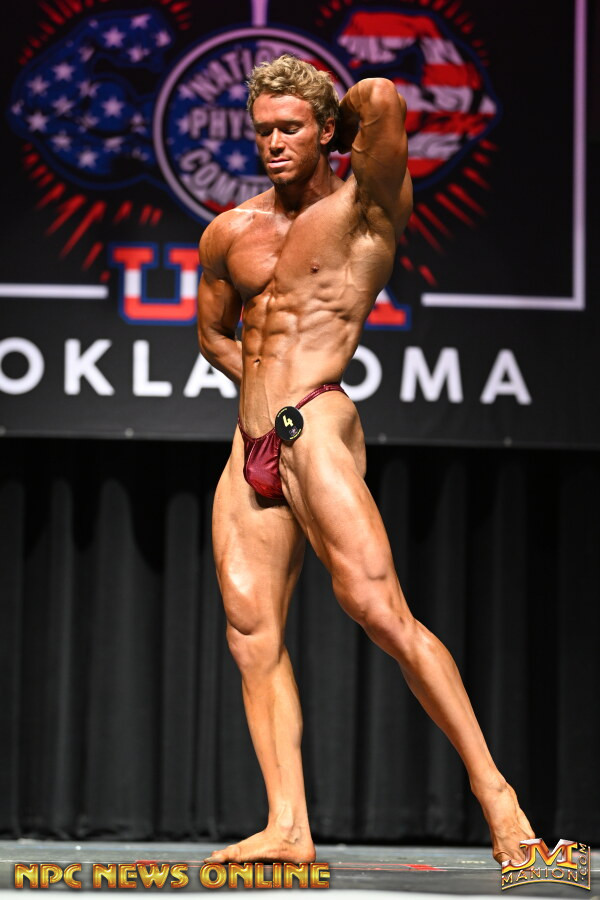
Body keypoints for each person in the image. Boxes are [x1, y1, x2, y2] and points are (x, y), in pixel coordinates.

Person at [196, 54, 534, 867]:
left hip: (314, 419)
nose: (273, 143)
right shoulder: (230, 232)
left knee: (380, 611)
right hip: (250, 440)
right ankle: (288, 827)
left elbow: (380, 97)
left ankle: (500, 799)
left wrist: (341, 117)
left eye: (290, 128)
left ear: (325, 131)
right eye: (262, 130)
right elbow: (212, 334)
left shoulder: (366, 209)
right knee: (250, 633)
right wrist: (259, 390)